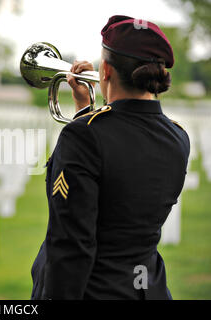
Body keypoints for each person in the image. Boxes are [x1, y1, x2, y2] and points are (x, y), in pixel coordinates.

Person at [31, 15, 190, 300]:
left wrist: (85, 120)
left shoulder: (83, 136)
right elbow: (124, 147)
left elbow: (70, 245)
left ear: (105, 70)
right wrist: (85, 111)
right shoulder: (178, 137)